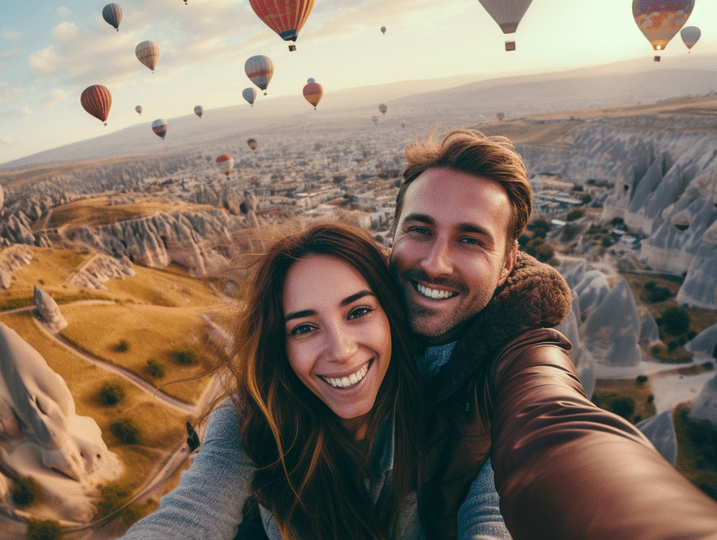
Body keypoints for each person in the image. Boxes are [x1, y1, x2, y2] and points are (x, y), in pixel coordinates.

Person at [389, 128, 717, 540]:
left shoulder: (521, 354)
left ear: (508, 263)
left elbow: (554, 432)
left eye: (470, 240)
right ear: (392, 233)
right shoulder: (342, 319)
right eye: (420, 229)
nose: (436, 264)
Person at [119, 222, 510, 540]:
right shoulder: (255, 419)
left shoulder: (454, 398)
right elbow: (192, 513)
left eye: (358, 312)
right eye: (304, 328)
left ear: (390, 315)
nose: (340, 351)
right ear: (280, 346)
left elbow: (493, 516)